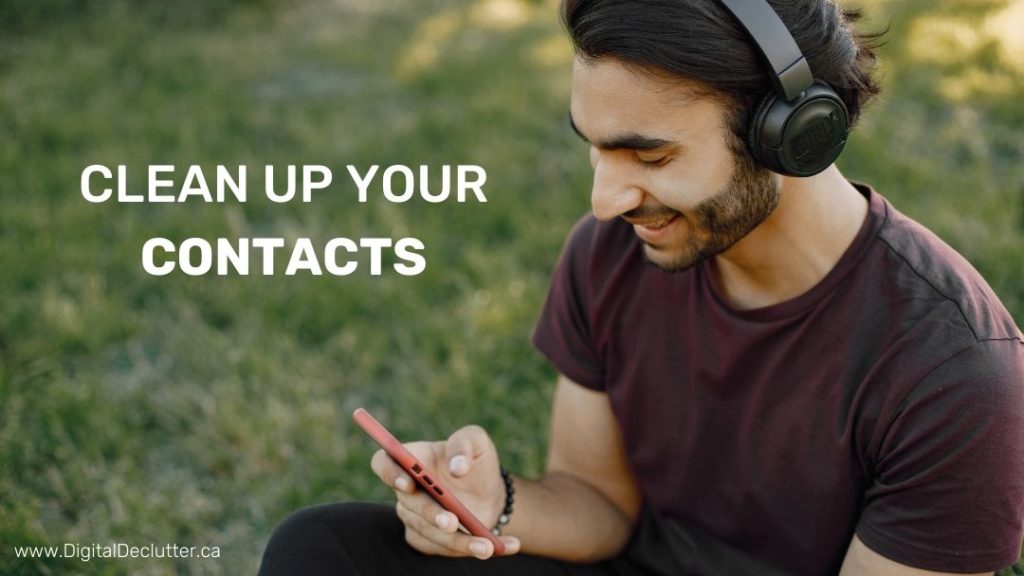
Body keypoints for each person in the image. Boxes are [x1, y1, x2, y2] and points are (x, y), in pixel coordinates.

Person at [258, 0, 1024, 574]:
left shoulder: (957, 375)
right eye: (594, 149)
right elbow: (600, 506)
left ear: (792, 133)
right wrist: (496, 504)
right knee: (320, 549)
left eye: (649, 158)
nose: (604, 201)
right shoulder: (612, 256)